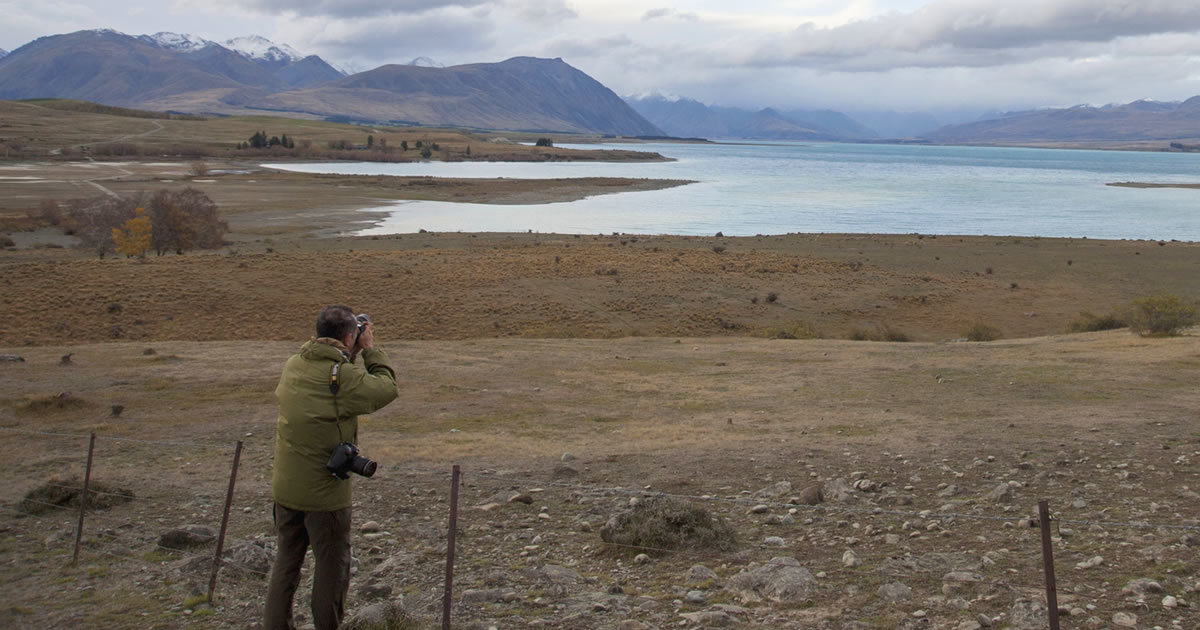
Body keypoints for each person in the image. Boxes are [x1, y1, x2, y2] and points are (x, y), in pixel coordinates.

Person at [265, 305, 398, 630]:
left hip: (286, 488)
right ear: (351, 335)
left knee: (286, 562)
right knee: (331, 568)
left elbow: (330, 380)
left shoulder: (294, 364)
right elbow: (386, 388)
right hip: (325, 496)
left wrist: (346, 353)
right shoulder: (345, 376)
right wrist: (370, 350)